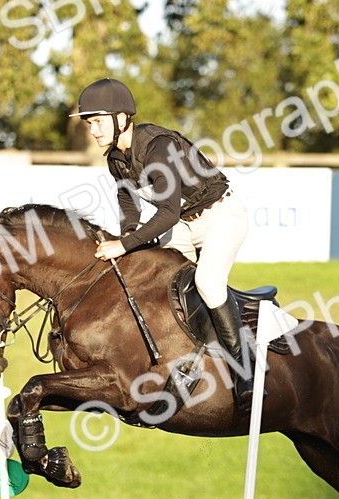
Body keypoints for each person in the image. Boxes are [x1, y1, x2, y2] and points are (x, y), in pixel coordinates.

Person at [69, 77, 253, 412]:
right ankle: (186, 362)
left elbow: (166, 212)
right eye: (89, 123)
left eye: (97, 121)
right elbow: (128, 202)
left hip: (220, 215)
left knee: (208, 284)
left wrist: (123, 246)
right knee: (161, 284)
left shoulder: (158, 146)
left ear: (121, 118)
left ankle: (246, 370)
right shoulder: (115, 159)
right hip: (184, 221)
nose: (93, 130)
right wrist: (126, 234)